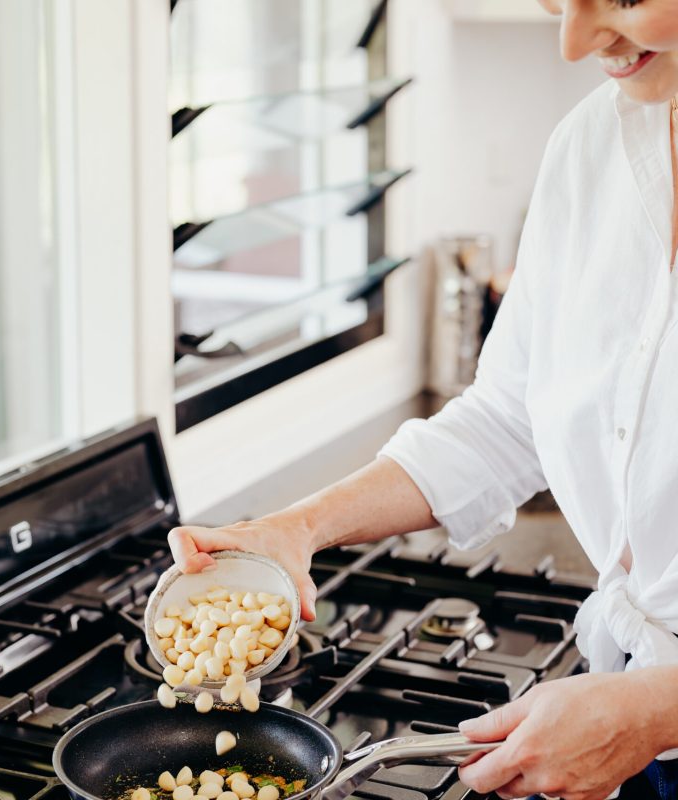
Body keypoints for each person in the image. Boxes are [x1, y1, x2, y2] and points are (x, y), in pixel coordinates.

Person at [168, 1, 678, 798]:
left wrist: (662, 709)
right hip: (627, 708)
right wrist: (299, 527)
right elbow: (510, 418)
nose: (575, 41)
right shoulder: (588, 147)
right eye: (556, 0)